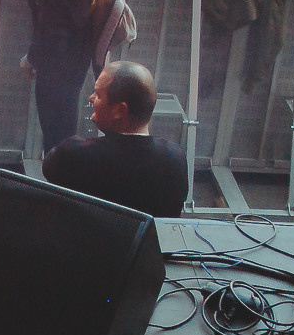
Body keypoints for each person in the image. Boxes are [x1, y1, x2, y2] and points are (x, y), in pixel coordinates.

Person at [24, 0, 134, 147]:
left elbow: (46, 34)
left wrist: (30, 60)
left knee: (55, 137)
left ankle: (57, 179)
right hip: (77, 70)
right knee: (65, 129)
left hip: (52, 72)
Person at [40, 61, 186, 219]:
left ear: (120, 110)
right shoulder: (175, 159)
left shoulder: (73, 155)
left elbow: (50, 168)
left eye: (98, 95)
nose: (91, 98)